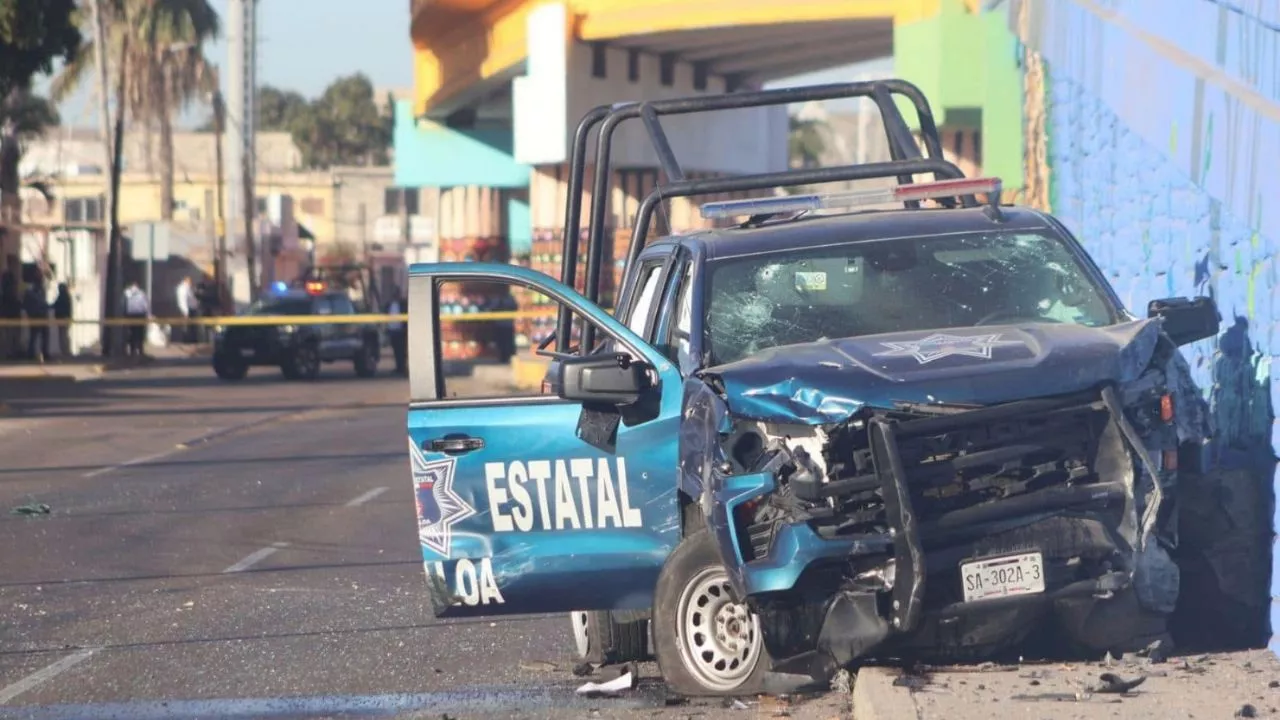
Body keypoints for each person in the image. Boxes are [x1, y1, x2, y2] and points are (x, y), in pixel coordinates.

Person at [23, 279, 49, 362]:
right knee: (37, 336)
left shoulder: (31, 293)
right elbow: (43, 304)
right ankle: (40, 353)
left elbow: (26, 305)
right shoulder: (35, 293)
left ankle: (34, 353)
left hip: (36, 317)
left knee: (35, 336)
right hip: (37, 316)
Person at [122, 280, 150, 357]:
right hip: (140, 315)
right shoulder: (142, 293)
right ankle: (140, 350)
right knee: (139, 333)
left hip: (130, 315)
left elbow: (123, 304)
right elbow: (146, 306)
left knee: (131, 332)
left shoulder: (126, 293)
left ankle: (132, 350)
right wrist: (148, 315)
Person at [386, 287, 407, 375]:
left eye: (396, 293)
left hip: (401, 331)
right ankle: (398, 367)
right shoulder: (389, 304)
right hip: (392, 331)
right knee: (395, 350)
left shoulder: (403, 304)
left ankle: (403, 368)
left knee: (402, 350)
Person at [175, 276, 198, 343]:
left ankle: (192, 340)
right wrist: (186, 311)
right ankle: (187, 341)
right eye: (190, 281)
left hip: (192, 309)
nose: (191, 283)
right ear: (186, 281)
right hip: (186, 310)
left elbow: (192, 298)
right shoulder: (182, 289)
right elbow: (183, 301)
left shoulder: (188, 288)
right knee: (187, 326)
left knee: (192, 326)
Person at [53, 283, 72, 358]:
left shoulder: (62, 297)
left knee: (63, 335)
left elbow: (56, 305)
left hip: (62, 318)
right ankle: (65, 351)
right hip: (65, 318)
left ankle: (65, 351)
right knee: (64, 335)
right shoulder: (66, 296)